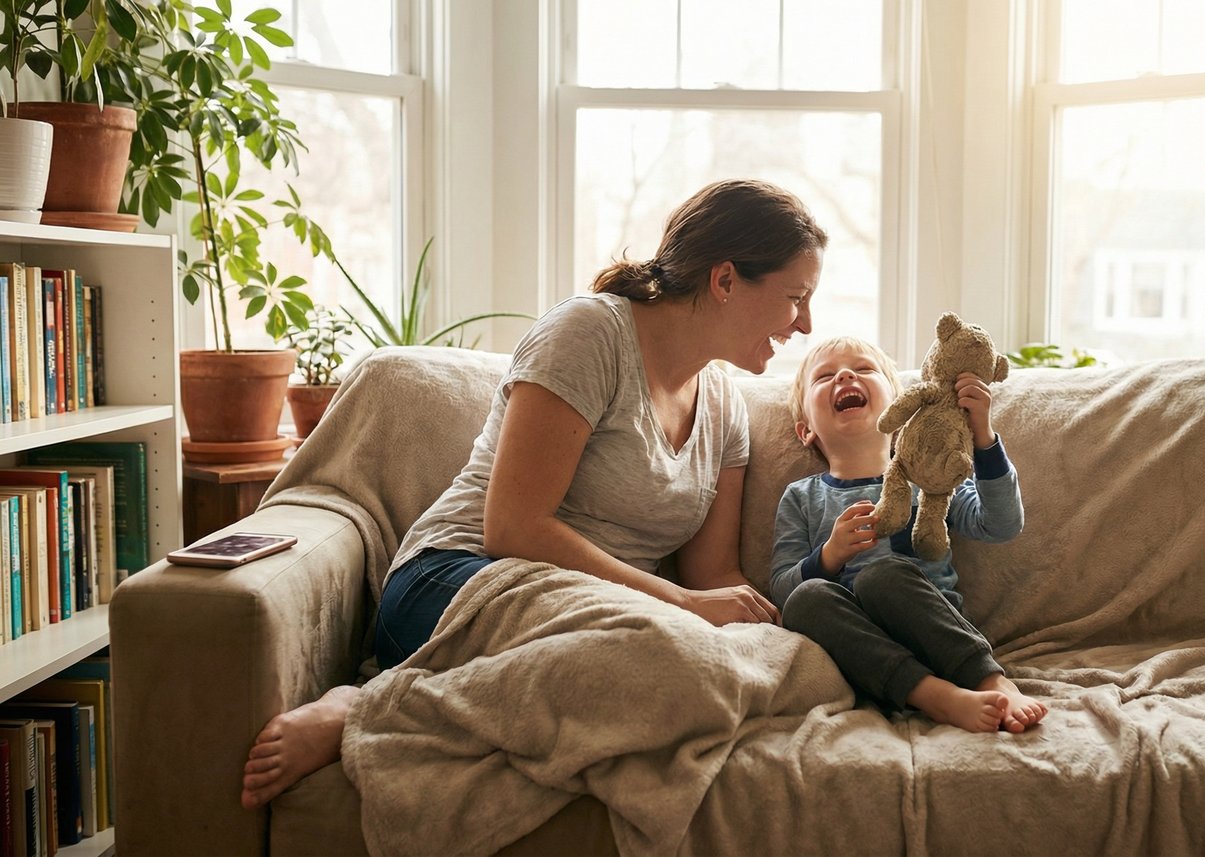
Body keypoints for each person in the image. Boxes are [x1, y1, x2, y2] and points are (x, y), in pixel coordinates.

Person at [240, 179, 827, 809]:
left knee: (795, 668)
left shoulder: (724, 408)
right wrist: (683, 604)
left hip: (599, 614)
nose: (806, 324)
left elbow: (715, 576)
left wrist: (758, 622)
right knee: (672, 661)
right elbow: (515, 527)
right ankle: (368, 707)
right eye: (796, 298)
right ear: (726, 280)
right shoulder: (590, 334)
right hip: (464, 578)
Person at [771, 336, 1047, 733]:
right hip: (863, 655)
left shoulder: (931, 475)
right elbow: (781, 588)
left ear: (903, 406)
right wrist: (830, 555)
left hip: (937, 636)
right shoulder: (802, 497)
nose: (846, 375)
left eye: (864, 369)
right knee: (805, 600)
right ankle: (937, 697)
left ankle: (993, 682)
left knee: (883, 575)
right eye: (825, 376)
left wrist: (982, 436)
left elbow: (1001, 524)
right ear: (805, 431)